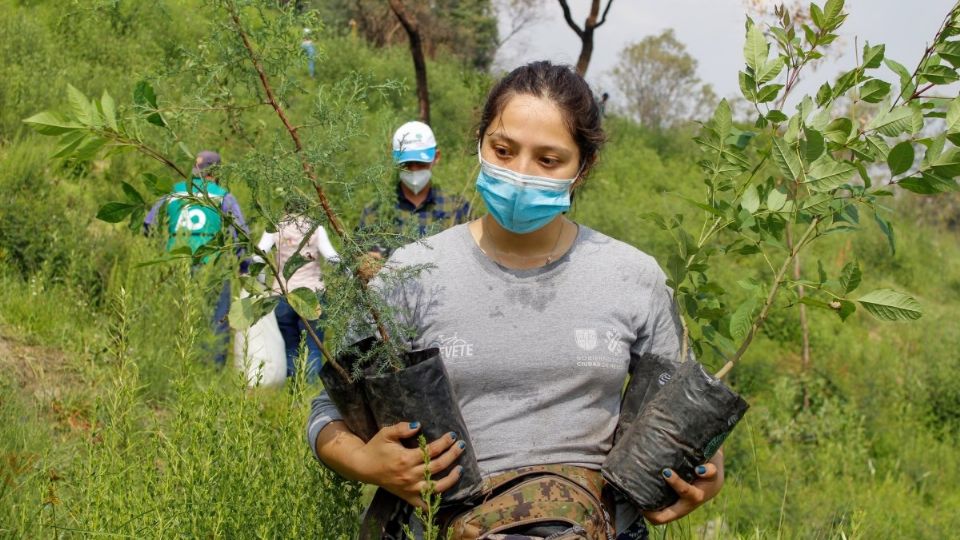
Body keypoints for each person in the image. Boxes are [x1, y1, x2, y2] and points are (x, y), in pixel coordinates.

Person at [307, 62, 723, 538]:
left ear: (582, 168)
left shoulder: (632, 276)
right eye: (503, 151)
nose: (521, 174)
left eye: (549, 161)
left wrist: (708, 474)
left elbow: (683, 408)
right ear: (479, 145)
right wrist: (365, 460)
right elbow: (328, 413)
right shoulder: (410, 275)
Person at [144, 150, 248, 365]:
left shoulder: (174, 193)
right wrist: (244, 265)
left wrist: (162, 245)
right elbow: (241, 235)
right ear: (217, 172)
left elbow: (149, 224)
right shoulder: (223, 196)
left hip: (176, 265)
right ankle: (211, 369)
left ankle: (176, 364)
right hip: (213, 266)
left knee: (178, 315)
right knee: (217, 320)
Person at [356, 121, 471, 279]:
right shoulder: (374, 212)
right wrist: (366, 264)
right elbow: (358, 262)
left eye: (420, 163)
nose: (414, 170)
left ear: (436, 157)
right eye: (407, 164)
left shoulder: (457, 208)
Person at [254, 213, 340, 381]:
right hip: (312, 295)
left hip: (282, 294)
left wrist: (263, 283)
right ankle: (309, 390)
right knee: (314, 345)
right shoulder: (316, 227)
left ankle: (293, 390)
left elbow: (257, 256)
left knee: (290, 344)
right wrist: (351, 274)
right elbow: (331, 256)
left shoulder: (275, 227)